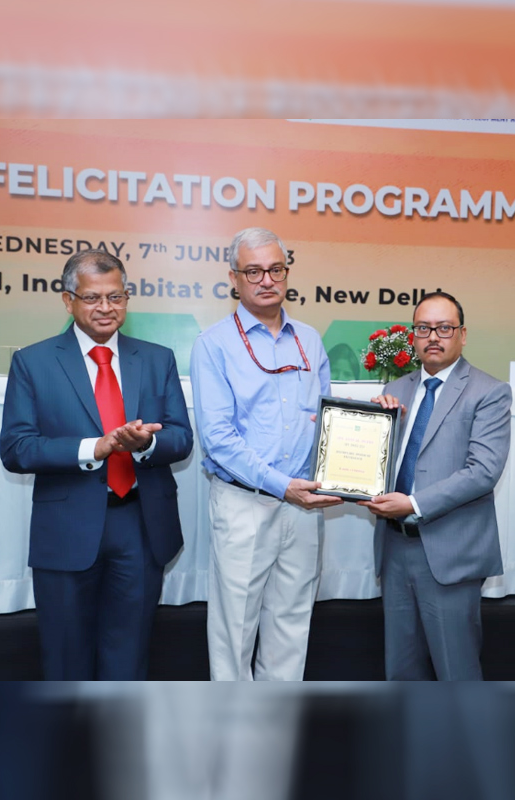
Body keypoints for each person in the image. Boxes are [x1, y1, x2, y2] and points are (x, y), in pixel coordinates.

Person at [0, 249, 193, 680]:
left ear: (126, 298)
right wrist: (95, 448)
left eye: (115, 296)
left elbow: (181, 437)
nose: (106, 307)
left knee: (129, 657)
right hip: (66, 528)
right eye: (92, 298)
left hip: (140, 526)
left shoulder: (157, 358)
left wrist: (146, 444)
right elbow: (16, 448)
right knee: (66, 659)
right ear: (68, 301)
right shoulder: (33, 362)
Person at [190, 227, 342, 681]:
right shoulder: (213, 344)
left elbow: (326, 419)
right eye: (254, 271)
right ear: (234, 278)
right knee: (234, 630)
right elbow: (218, 438)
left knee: (291, 624)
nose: (267, 280)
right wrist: (283, 487)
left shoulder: (309, 340)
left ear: (287, 273)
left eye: (276, 269)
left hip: (303, 504)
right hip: (245, 502)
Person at [359, 291, 512, 680]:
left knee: (455, 671)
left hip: (450, 549)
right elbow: (380, 463)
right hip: (395, 546)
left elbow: (483, 471)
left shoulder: (489, 391)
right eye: (424, 328)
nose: (433, 337)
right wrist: (362, 431)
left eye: (444, 328)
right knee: (401, 669)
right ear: (413, 335)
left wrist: (413, 504)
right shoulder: (397, 390)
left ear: (463, 334)